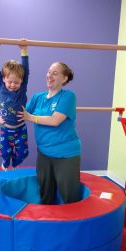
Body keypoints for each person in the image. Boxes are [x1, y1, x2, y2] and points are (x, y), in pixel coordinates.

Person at [17, 62, 81, 204]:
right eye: (49, 72)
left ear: (64, 79)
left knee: (69, 194)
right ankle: (47, 223)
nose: (49, 76)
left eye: (55, 73)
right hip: (44, 153)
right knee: (45, 191)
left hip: (65, 154)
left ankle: (73, 225)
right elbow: (21, 114)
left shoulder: (68, 96)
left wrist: (31, 117)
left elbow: (55, 120)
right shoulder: (37, 97)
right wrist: (6, 117)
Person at [0, 40, 29, 170]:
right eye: (10, 82)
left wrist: (23, 50)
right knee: (6, 152)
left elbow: (26, 70)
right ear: (3, 79)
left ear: (22, 81)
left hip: (20, 128)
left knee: (23, 153)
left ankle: (16, 164)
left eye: (16, 82)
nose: (13, 85)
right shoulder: (1, 85)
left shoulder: (22, 89)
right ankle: (6, 164)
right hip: (6, 128)